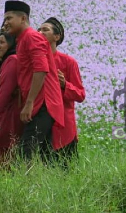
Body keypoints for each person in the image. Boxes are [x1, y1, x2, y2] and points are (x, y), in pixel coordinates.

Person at [2, 0, 64, 162]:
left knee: (27, 149)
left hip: (44, 102)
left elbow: (41, 70)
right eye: (5, 19)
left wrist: (29, 103)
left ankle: (26, 184)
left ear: (23, 19)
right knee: (44, 153)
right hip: (41, 101)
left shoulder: (32, 37)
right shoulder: (22, 39)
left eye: (9, 18)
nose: (6, 23)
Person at [38, 18, 85, 164]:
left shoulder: (68, 62)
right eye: (38, 30)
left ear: (57, 37)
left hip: (63, 127)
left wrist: (65, 84)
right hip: (39, 123)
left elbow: (80, 94)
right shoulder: (34, 60)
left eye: (45, 30)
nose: (40, 32)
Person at [0, 32, 24, 168]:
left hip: (10, 113)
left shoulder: (12, 60)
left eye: (2, 43)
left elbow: (4, 93)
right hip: (14, 111)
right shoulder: (16, 59)